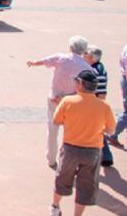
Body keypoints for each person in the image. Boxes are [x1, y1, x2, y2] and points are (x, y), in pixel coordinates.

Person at [50, 70, 116, 216]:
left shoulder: (68, 101)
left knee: (63, 178)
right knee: (86, 186)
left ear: (80, 84)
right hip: (92, 151)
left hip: (70, 148)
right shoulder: (104, 107)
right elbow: (111, 130)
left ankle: (55, 207)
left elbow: (56, 120)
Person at [27, 36, 93, 169]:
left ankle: (51, 159)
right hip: (72, 101)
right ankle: (67, 161)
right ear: (84, 51)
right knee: (71, 132)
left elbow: (44, 61)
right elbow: (87, 89)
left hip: (54, 98)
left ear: (70, 47)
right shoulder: (86, 68)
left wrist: (33, 63)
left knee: (52, 130)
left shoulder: (61, 58)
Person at [83, 47, 113, 166]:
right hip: (95, 104)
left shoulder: (96, 71)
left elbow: (101, 92)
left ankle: (105, 156)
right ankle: (106, 156)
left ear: (91, 57)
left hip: (93, 104)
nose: (83, 55)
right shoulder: (97, 67)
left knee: (96, 130)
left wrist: (96, 106)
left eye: (86, 53)